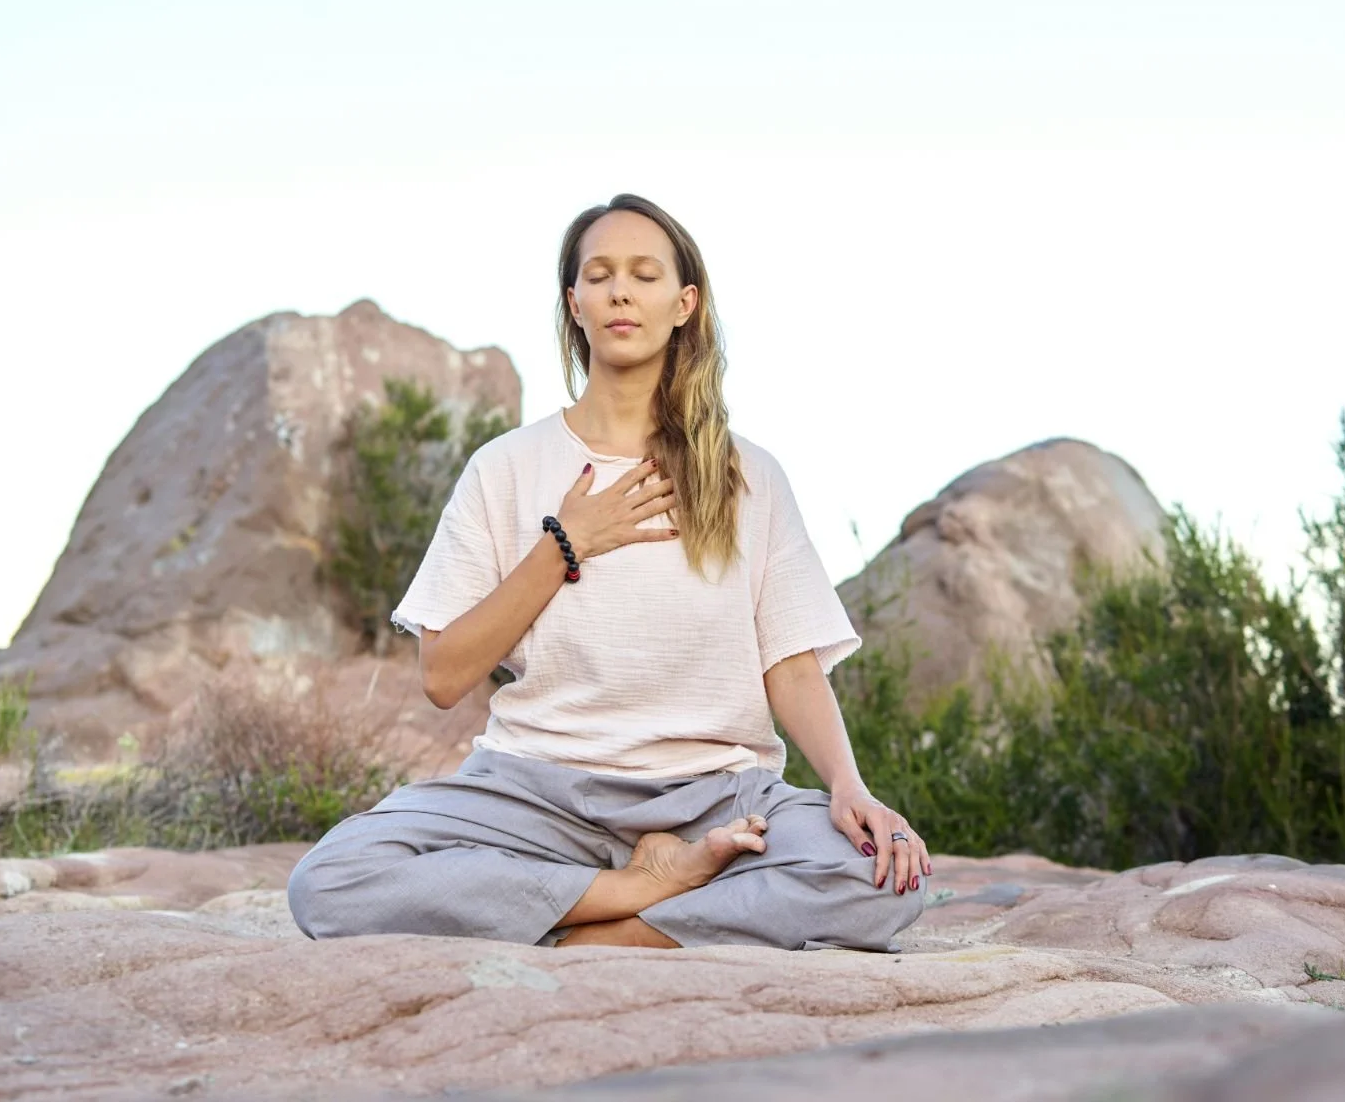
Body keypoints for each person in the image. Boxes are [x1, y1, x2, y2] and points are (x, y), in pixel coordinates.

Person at [287, 193, 932, 950]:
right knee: (332, 881)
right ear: (575, 303)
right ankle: (640, 890)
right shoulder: (506, 468)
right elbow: (443, 673)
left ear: (684, 303)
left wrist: (850, 789)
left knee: (883, 882)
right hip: (532, 792)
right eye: (599, 275)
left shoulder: (748, 475)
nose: (620, 291)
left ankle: (609, 936)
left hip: (715, 797)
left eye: (644, 274)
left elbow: (789, 666)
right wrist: (565, 545)